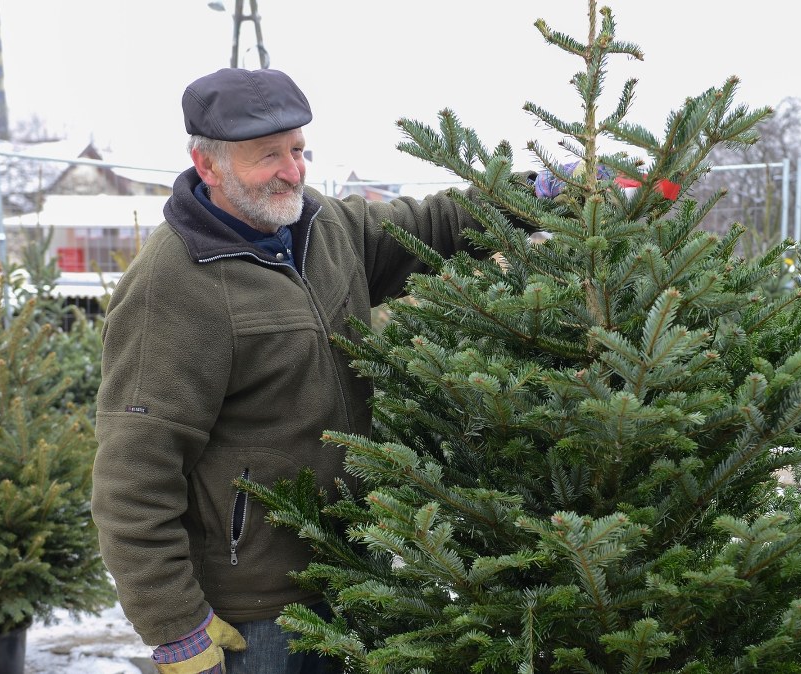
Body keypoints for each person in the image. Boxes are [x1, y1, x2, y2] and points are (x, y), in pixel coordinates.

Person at [90, 67, 508, 674]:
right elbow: (133, 477)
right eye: (268, 158)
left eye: (297, 150)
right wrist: (175, 625)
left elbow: (432, 226)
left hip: (355, 570)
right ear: (207, 167)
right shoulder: (172, 286)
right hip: (257, 615)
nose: (293, 170)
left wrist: (537, 194)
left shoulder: (322, 225)